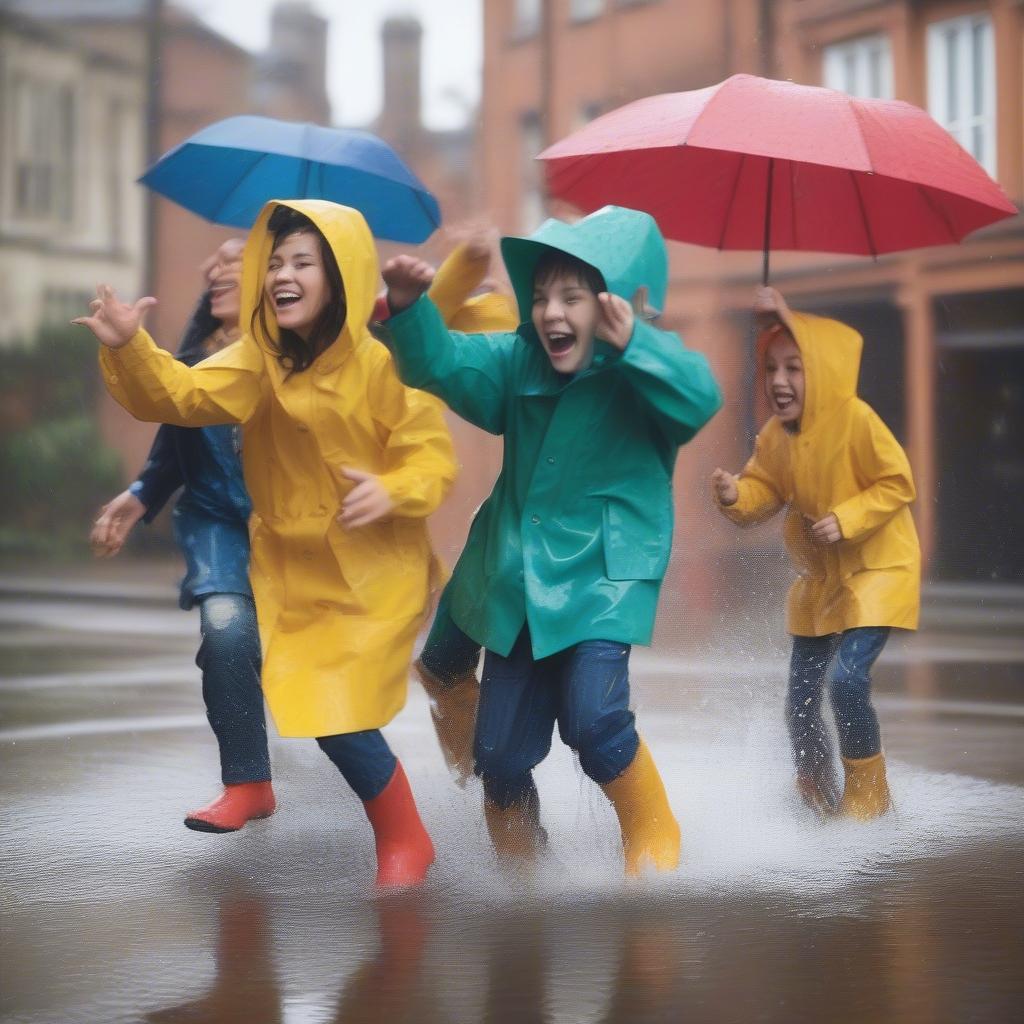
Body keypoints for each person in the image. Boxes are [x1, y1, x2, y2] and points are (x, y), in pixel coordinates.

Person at [75, 199, 457, 888]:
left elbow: (429, 456)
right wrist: (129, 345)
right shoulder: (259, 360)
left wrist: (392, 489)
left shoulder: (384, 364)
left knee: (336, 711)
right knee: (320, 707)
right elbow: (182, 397)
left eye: (303, 262)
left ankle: (404, 838)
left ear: (340, 277)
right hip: (291, 567)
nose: (283, 273)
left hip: (372, 570)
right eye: (274, 262)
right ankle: (398, 834)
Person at [377, 205, 723, 875]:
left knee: (594, 723)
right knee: (501, 756)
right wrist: (409, 306)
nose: (550, 313)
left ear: (616, 303)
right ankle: (522, 870)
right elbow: (443, 364)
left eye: (571, 296)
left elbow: (699, 396)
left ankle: (653, 836)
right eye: (540, 297)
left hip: (604, 580)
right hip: (521, 582)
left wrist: (638, 348)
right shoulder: (518, 362)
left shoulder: (646, 375)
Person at [711, 287, 920, 820]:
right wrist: (737, 497)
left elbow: (898, 482)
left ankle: (869, 798)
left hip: (878, 569)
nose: (780, 381)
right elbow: (765, 490)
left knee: (847, 681)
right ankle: (816, 792)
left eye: (796, 368)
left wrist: (848, 518)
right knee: (799, 706)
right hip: (821, 580)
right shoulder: (775, 437)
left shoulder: (857, 421)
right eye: (772, 368)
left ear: (822, 371)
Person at [91, 237, 276, 835]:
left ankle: (376, 791)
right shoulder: (195, 357)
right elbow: (174, 438)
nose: (213, 271)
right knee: (225, 633)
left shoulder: (303, 358)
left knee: (313, 666)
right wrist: (141, 493)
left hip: (295, 532)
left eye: (232, 262)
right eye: (210, 264)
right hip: (216, 524)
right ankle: (247, 783)